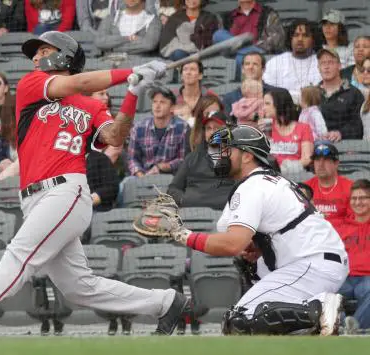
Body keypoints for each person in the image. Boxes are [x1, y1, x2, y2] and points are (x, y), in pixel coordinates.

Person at [0, 30, 191, 336]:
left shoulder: (93, 106)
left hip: (65, 190)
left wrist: (133, 94)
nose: (35, 57)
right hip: (34, 197)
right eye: (36, 52)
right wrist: (128, 73)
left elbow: (115, 137)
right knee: (79, 287)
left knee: (20, 254)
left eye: (44, 51)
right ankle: (164, 302)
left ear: (65, 57)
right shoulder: (32, 85)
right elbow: (79, 83)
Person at [136, 124, 348, 336]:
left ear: (247, 156)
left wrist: (182, 234)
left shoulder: (253, 186)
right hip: (313, 261)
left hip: (310, 263)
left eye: (228, 149)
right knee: (249, 325)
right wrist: (258, 247)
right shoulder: (265, 181)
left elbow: (232, 244)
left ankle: (317, 308)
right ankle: (314, 322)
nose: (221, 155)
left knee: (240, 320)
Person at [168, 109, 235, 210]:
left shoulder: (237, 157)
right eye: (208, 128)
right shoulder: (192, 158)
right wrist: (183, 199)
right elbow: (173, 189)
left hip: (225, 214)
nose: (212, 132)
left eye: (217, 128)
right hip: (192, 213)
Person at [332, 179, 370, 332]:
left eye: (363, 198)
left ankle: (354, 327)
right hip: (345, 278)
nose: (357, 202)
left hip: (368, 278)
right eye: (354, 198)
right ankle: (340, 326)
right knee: (327, 291)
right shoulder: (341, 228)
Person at [127, 85, 190, 176]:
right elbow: (132, 159)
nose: (157, 105)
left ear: (172, 107)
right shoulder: (138, 127)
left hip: (172, 177)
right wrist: (141, 176)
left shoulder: (183, 127)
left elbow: (184, 159)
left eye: (162, 102)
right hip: (144, 176)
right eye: (154, 102)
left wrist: (163, 167)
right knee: (125, 184)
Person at [262, 19, 322, 104]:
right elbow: (269, 91)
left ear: (313, 40)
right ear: (290, 39)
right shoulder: (276, 62)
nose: (300, 39)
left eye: (305, 35)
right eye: (296, 35)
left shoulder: (322, 62)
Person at [317, 48, 365, 142]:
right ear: (318, 67)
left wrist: (340, 133)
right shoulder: (312, 93)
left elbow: (359, 125)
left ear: (339, 66)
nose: (326, 67)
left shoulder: (354, 93)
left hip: (346, 146)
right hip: (316, 146)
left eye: (330, 62)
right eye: (322, 63)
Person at [264, 89, 313, 173]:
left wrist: (284, 169)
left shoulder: (303, 128)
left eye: (267, 104)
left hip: (295, 176)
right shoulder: (265, 128)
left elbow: (307, 158)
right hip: (270, 177)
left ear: (280, 104)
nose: (264, 108)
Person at [304, 143, 354, 223]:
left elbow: (353, 222)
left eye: (326, 160)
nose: (320, 164)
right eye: (317, 160)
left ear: (336, 164)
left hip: (341, 234)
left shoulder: (350, 188)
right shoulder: (305, 189)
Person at [94, 0, 160, 56]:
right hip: (109, 63)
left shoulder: (153, 20)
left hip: (140, 64)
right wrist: (128, 38)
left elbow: (149, 45)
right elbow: (99, 41)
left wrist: (112, 49)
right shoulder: (110, 18)